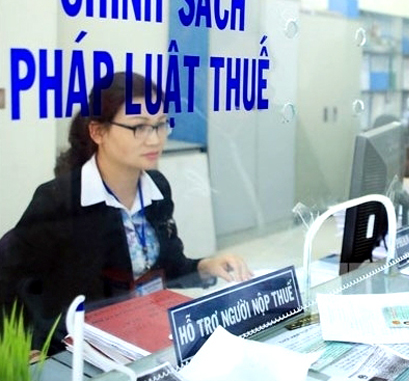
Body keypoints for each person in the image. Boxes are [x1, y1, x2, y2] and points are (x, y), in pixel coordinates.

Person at [0, 72, 252, 351]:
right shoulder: (60, 200)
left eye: (160, 125)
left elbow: (165, 267)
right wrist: (22, 350)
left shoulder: (157, 188)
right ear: (98, 132)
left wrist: (205, 267)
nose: (155, 139)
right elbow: (8, 281)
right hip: (82, 350)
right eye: (139, 127)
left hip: (141, 336)